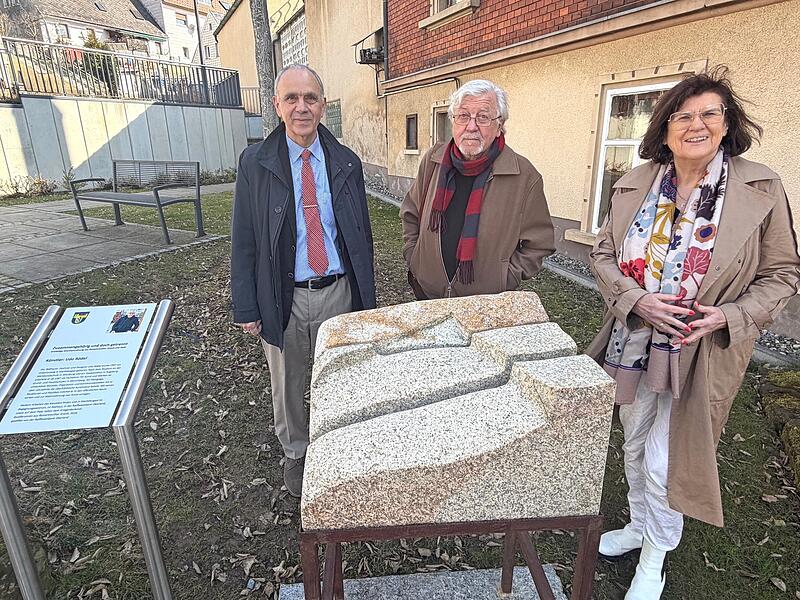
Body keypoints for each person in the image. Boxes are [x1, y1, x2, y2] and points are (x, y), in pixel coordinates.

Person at [587, 66, 800, 599]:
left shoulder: (760, 187)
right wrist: (635, 299)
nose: (696, 124)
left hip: (700, 348)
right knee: (635, 445)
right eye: (683, 115)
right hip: (634, 338)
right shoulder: (635, 182)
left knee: (667, 459)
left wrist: (729, 316)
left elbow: (783, 273)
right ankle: (640, 525)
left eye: (709, 113)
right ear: (664, 130)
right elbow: (604, 255)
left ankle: (654, 559)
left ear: (727, 126)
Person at [230, 64, 376, 497]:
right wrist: (246, 305)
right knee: (289, 383)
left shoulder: (346, 161)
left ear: (323, 106)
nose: (301, 107)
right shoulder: (255, 163)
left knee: (344, 379)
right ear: (277, 106)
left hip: (337, 291)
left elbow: (360, 234)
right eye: (291, 98)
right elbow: (244, 238)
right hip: (284, 295)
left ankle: (341, 447)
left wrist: (366, 299)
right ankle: (297, 452)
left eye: (310, 98)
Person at [400, 79, 555, 299]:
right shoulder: (434, 161)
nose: (471, 127)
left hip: (485, 303)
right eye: (463, 116)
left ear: (499, 126)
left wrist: (505, 278)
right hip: (428, 294)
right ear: (453, 121)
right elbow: (410, 213)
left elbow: (539, 243)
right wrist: (415, 258)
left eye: (483, 117)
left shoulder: (523, 175)